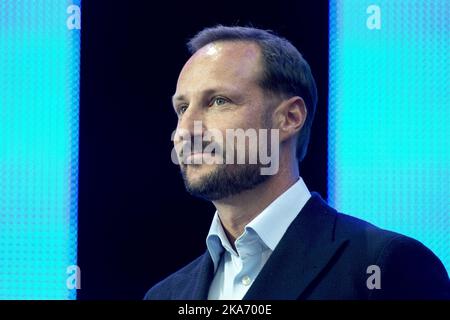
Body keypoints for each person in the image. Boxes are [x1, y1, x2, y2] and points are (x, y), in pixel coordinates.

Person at [144, 25, 449, 300]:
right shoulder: (165, 295)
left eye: (219, 101)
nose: (185, 131)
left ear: (290, 118)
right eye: (182, 108)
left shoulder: (384, 265)